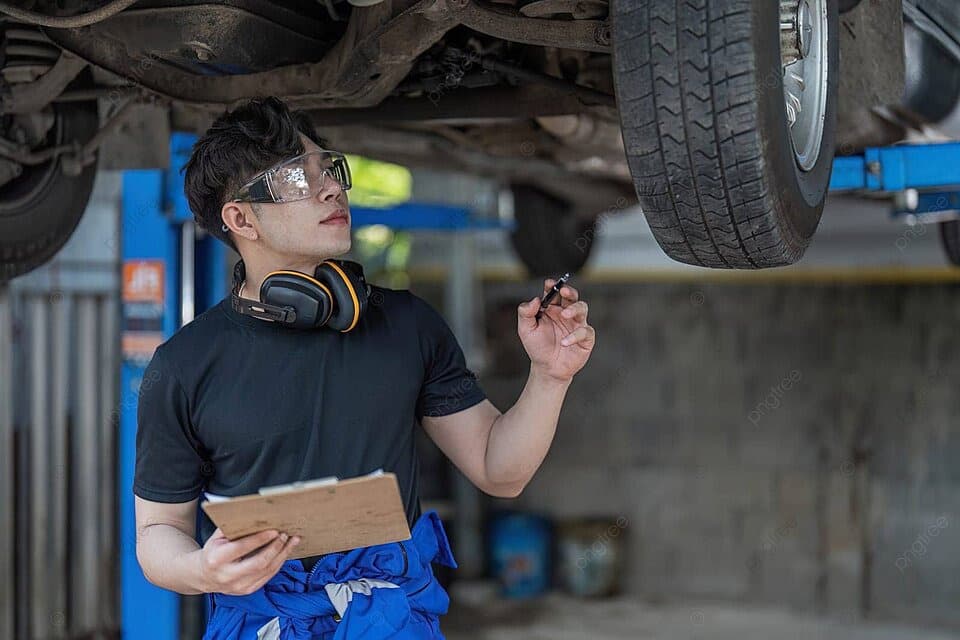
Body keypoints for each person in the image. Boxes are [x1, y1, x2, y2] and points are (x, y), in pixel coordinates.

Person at [132, 96, 596, 639]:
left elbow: (501, 469)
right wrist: (201, 569)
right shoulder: (183, 366)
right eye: (297, 180)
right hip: (261, 623)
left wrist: (550, 376)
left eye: (329, 169)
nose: (332, 188)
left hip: (390, 620)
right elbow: (159, 533)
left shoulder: (406, 325)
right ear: (241, 219)